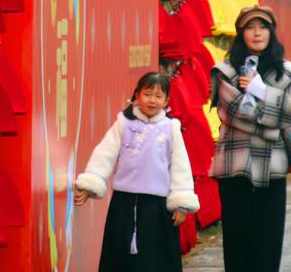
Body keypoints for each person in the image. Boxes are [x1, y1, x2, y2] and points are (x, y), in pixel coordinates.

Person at [209, 4, 291, 272]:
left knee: (269, 240)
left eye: (262, 26)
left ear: (271, 32)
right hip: (234, 166)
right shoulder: (225, 71)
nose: (257, 32)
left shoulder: (286, 72)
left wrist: (261, 91)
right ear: (241, 33)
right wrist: (275, 123)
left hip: (272, 168)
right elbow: (233, 113)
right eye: (250, 27)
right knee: (237, 242)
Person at [73, 72, 199, 271]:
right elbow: (105, 153)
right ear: (137, 95)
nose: (152, 100)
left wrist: (181, 205)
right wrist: (90, 185)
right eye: (148, 94)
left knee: (156, 259)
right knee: (119, 256)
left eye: (159, 96)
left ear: (166, 100)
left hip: (159, 207)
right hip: (124, 203)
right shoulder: (124, 123)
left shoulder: (171, 128)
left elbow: (180, 167)